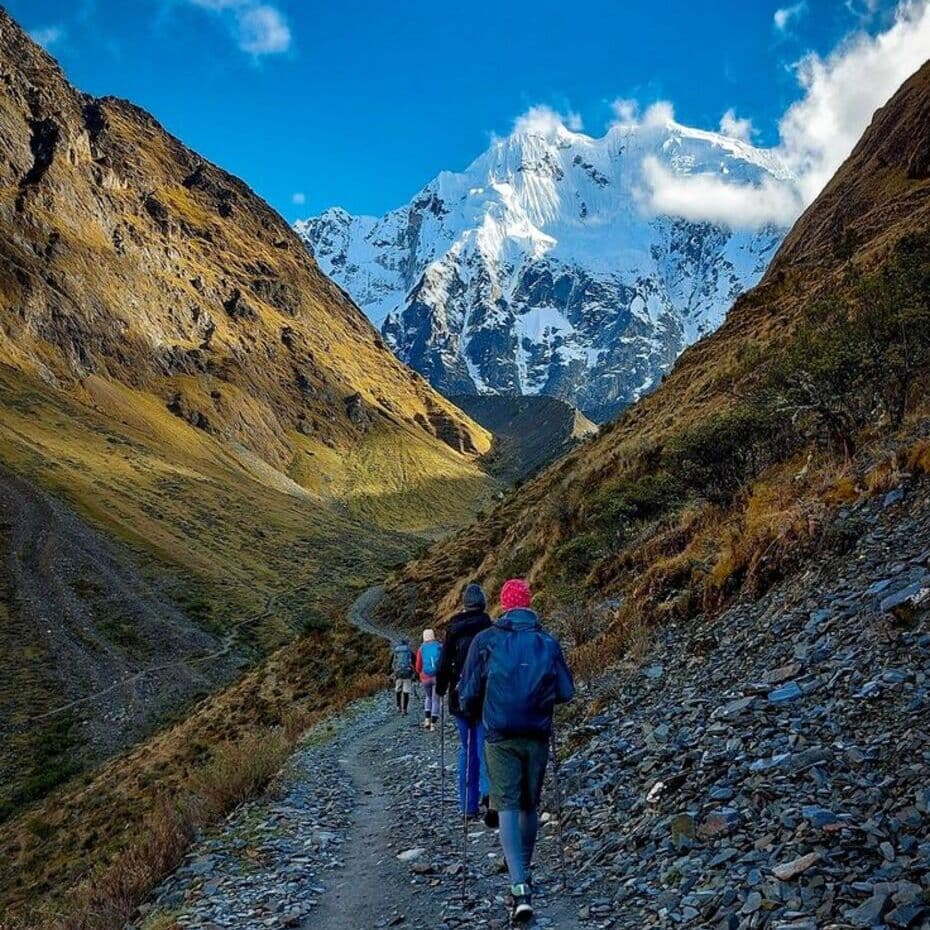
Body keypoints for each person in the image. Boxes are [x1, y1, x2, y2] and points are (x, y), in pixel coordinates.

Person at [459, 578, 574, 924]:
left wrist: (475, 708)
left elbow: (468, 693)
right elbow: (566, 692)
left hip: (499, 735)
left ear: (505, 605)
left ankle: (519, 885)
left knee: (506, 804)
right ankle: (525, 873)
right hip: (536, 734)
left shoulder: (487, 640)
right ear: (529, 603)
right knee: (529, 805)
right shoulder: (547, 642)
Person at [435, 583, 493, 822]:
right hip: (485, 698)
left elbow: (443, 665)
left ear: (464, 604)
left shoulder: (453, 630)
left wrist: (440, 690)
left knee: (466, 749)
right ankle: (488, 795)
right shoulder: (490, 628)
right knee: (485, 746)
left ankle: (467, 806)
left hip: (460, 700)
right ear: (483, 603)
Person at [415, 629, 442, 730]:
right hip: (437, 677)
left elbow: (418, 666)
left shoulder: (421, 649)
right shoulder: (439, 646)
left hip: (425, 677)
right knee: (436, 700)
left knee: (428, 697)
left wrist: (420, 673)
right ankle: (433, 724)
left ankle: (427, 719)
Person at [390, 637, 415, 716]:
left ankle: (398, 706)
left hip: (398, 673)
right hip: (407, 673)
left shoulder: (396, 651)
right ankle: (405, 709)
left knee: (398, 690)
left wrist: (392, 672)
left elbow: (391, 663)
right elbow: (415, 661)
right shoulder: (409, 650)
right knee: (406, 691)